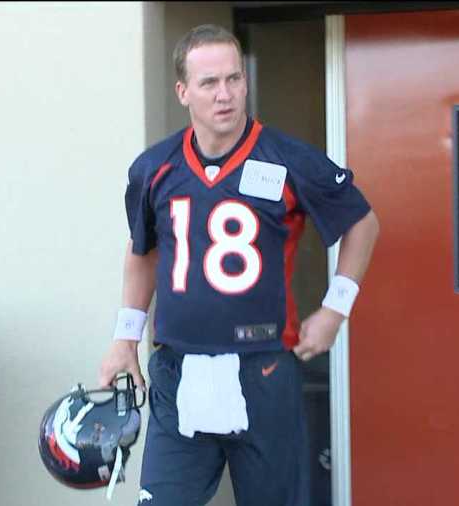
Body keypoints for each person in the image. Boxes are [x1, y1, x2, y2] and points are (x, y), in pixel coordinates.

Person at [97, 24, 379, 506]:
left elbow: (362, 222)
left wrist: (335, 309)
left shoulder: (288, 159)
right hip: (177, 368)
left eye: (234, 79)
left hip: (263, 367)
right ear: (183, 91)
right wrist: (126, 335)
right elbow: (143, 250)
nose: (225, 94)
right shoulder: (155, 167)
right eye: (209, 83)